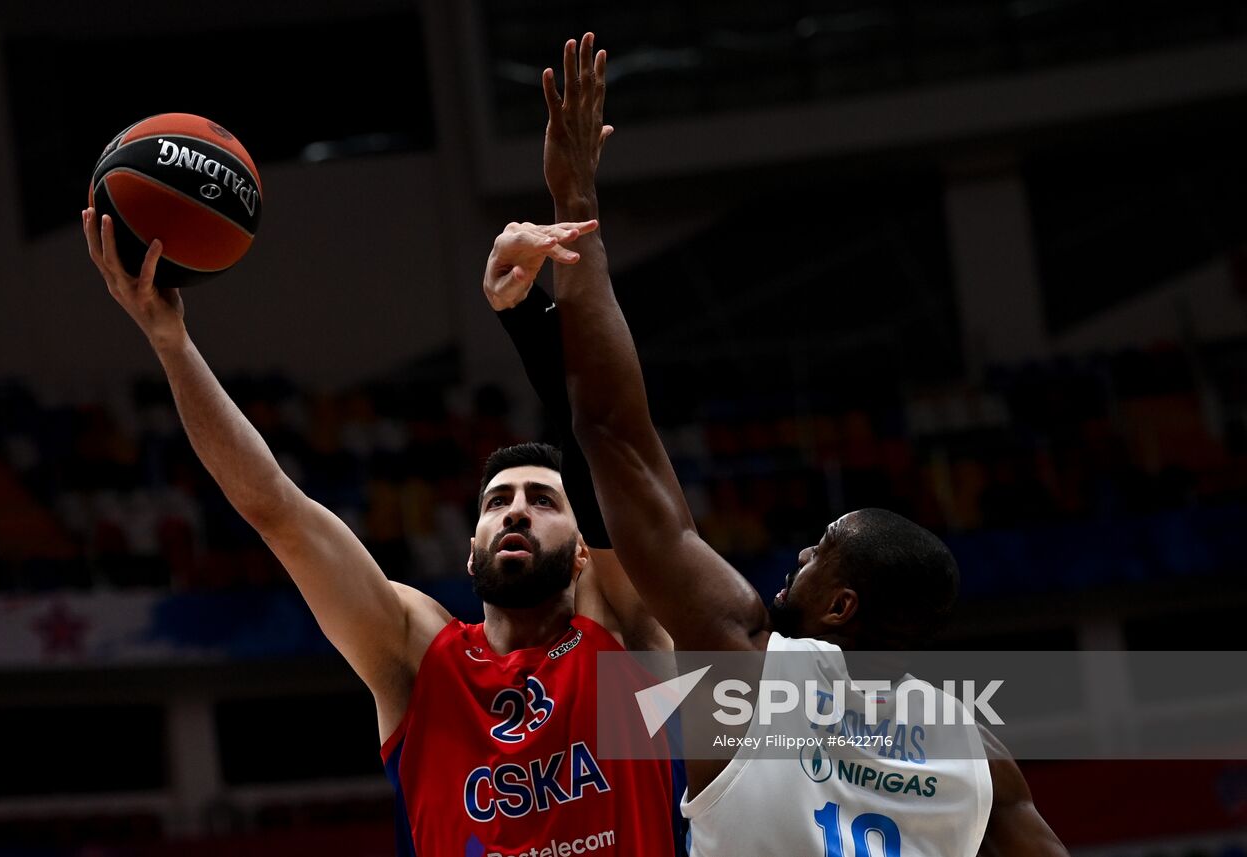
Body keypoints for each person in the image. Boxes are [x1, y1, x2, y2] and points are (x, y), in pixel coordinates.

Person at [537, 32, 1069, 856]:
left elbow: (613, 432)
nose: (801, 555)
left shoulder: (745, 668)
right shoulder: (979, 755)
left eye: (821, 549)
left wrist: (576, 211)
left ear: (841, 604)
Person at [80, 208, 685, 856]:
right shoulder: (423, 659)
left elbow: (602, 438)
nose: (515, 510)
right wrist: (173, 345)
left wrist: (526, 318)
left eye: (543, 499)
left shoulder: (624, 643)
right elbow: (278, 512)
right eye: (497, 501)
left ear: (585, 555)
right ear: (470, 543)